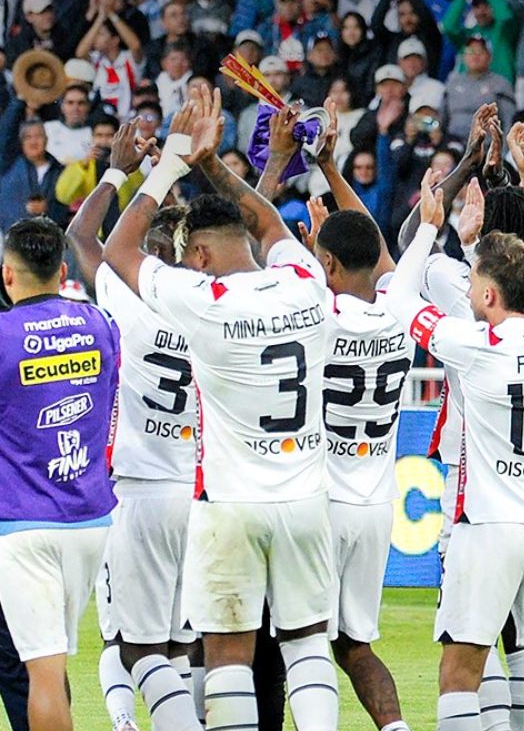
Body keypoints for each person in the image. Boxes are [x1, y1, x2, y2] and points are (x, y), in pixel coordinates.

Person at [101, 86, 340, 730]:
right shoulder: (305, 283)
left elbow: (118, 251)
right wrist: (214, 166)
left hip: (229, 503)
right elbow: (267, 222)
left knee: (228, 654)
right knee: (307, 645)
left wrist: (176, 161)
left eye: (189, 257)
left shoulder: (204, 303)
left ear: (199, 255)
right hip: (305, 497)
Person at [382, 171, 524, 731]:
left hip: (486, 527)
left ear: (488, 295)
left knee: (459, 674)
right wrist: (520, 205)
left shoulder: (474, 345)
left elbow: (397, 298)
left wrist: (429, 229)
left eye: (475, 286)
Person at [244, 106, 416, 731]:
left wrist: (280, 162)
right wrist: (331, 169)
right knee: (355, 645)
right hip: (374, 506)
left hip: (318, 499)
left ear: (330, 268)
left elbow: (254, 235)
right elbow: (377, 249)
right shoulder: (400, 309)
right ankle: (396, 728)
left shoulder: (314, 310)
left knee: (300, 639)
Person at [64, 121, 204, 731]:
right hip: (199, 494)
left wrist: (122, 170)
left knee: (125, 640)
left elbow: (81, 235)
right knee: (183, 643)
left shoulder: (127, 305)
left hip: (137, 490)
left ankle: (127, 724)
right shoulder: (216, 309)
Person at [0, 217, 119, 731]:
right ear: (63, 271)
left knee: (42, 674)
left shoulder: (3, 336)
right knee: (51, 661)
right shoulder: (100, 324)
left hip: (23, 524)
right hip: (90, 519)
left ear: (8, 275)